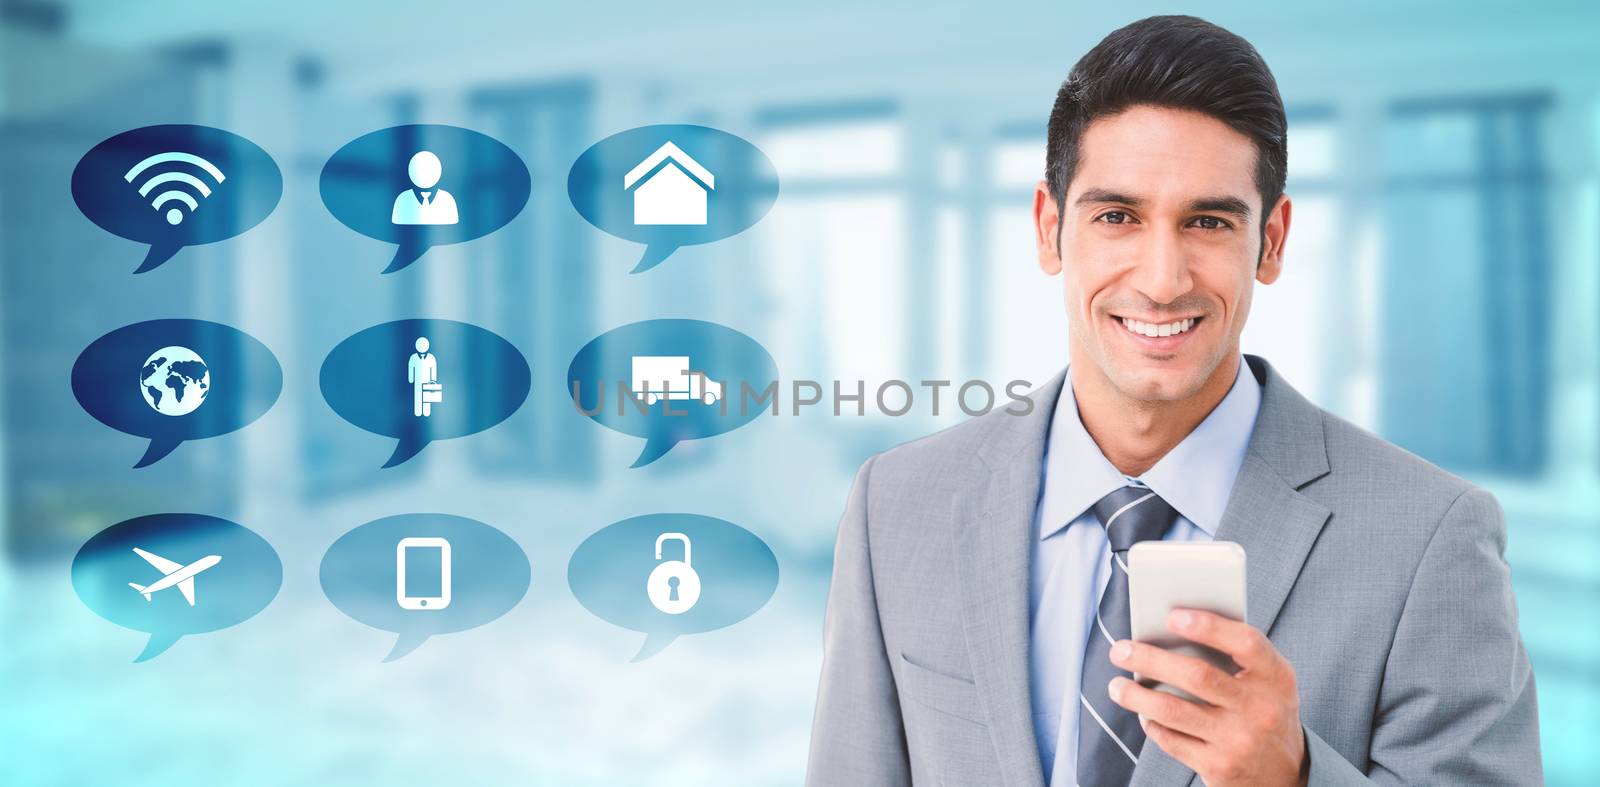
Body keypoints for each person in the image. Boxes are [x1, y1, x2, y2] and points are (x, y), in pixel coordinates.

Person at [805, 15, 1541, 787]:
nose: (1163, 279)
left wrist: (1290, 777)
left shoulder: (1430, 538)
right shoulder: (898, 506)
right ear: (1050, 228)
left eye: (1209, 221)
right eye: (1117, 216)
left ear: (1272, 241)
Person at [391, 150, 459, 226]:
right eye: (420, 167)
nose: (425, 173)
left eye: (430, 169)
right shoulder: (403, 199)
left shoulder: (447, 200)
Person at [408, 337, 438, 418]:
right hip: (417, 380)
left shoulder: (431, 357)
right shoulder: (413, 357)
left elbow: (433, 368)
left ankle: (426, 412)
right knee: (417, 396)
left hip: (427, 380)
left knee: (427, 397)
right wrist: (411, 379)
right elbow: (411, 368)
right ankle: (417, 412)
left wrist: (433, 380)